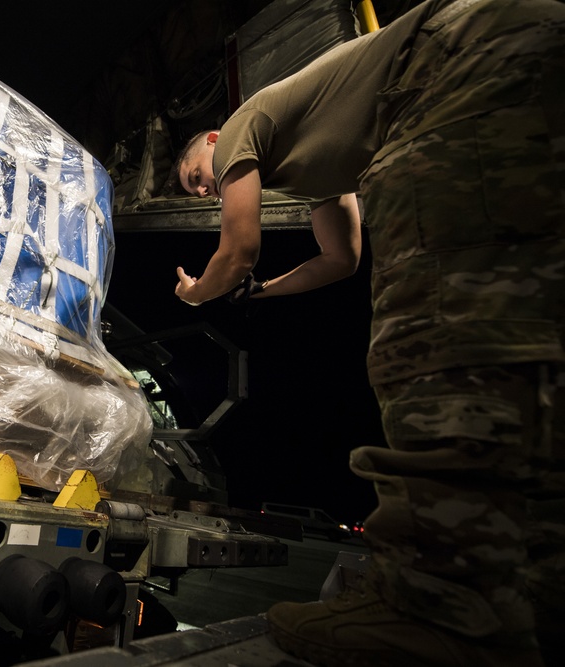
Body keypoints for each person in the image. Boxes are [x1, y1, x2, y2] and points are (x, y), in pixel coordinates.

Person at [173, 0, 564, 665]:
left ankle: (433, 607)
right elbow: (341, 259)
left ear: (211, 141)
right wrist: (263, 291)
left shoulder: (243, 126)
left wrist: (197, 291)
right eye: (197, 195)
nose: (206, 191)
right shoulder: (322, 165)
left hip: (450, 68)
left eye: (195, 179)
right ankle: (537, 587)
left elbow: (237, 246)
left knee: (430, 328)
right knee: (516, 320)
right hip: (508, 56)